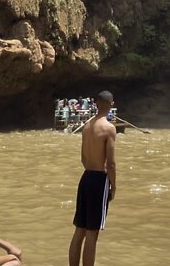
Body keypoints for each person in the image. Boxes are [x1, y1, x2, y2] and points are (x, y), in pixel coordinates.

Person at [70, 90, 117, 266]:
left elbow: (83, 157)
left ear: (96, 103)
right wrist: (113, 186)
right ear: (111, 104)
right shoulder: (109, 128)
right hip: (99, 180)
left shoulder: (87, 125)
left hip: (86, 177)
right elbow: (111, 163)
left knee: (79, 230)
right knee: (92, 232)